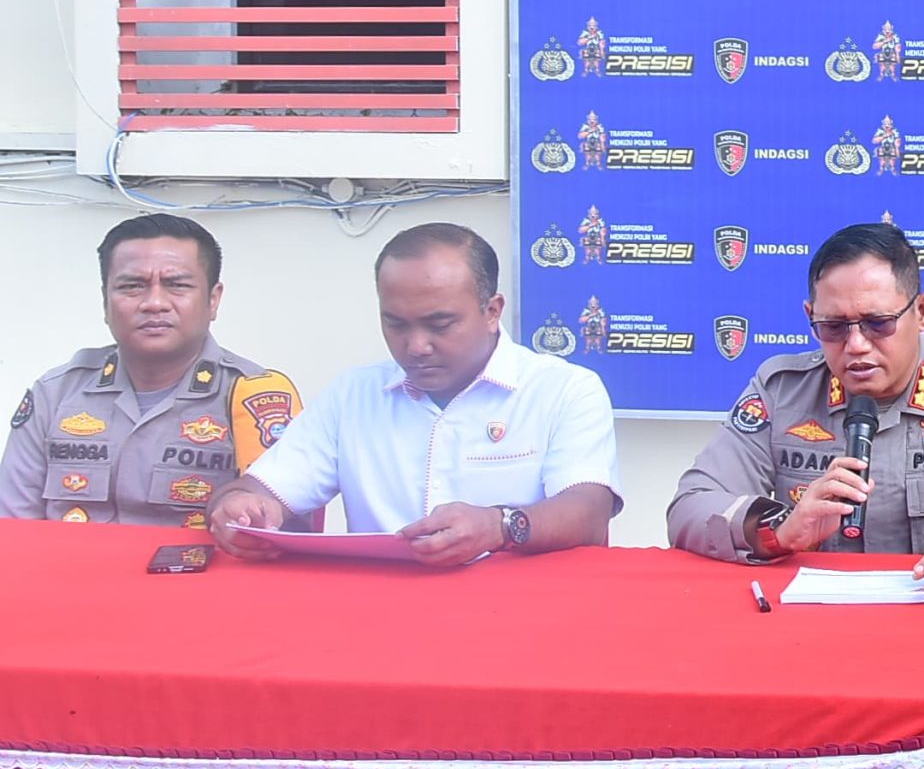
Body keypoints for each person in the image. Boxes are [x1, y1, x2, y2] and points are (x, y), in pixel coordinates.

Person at [668, 222, 924, 601]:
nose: (856, 345)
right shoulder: (780, 391)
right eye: (834, 327)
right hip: (815, 624)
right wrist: (779, 529)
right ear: (810, 317)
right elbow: (690, 505)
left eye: (877, 323)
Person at [207, 224, 618, 566]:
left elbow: (589, 510)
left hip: (522, 613)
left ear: (492, 311)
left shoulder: (563, 390)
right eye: (396, 325)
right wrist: (239, 509)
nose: (416, 346)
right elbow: (256, 491)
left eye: (440, 324)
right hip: (380, 616)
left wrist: (500, 527)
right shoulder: (354, 395)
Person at [2, 214, 302, 529]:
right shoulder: (55, 394)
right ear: (105, 301)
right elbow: (12, 529)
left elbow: (282, 530)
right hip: (67, 563)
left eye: (177, 285)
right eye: (132, 286)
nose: (155, 303)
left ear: (213, 300)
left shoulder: (256, 400)